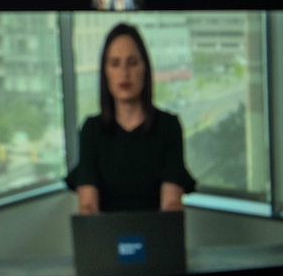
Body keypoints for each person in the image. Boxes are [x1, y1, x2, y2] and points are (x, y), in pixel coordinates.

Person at [65, 23, 195, 213]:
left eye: (132, 63)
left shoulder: (168, 127)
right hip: (105, 238)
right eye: (115, 64)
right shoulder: (91, 130)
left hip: (157, 237)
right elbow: (88, 205)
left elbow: (171, 204)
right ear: (105, 73)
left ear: (145, 69)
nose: (124, 73)